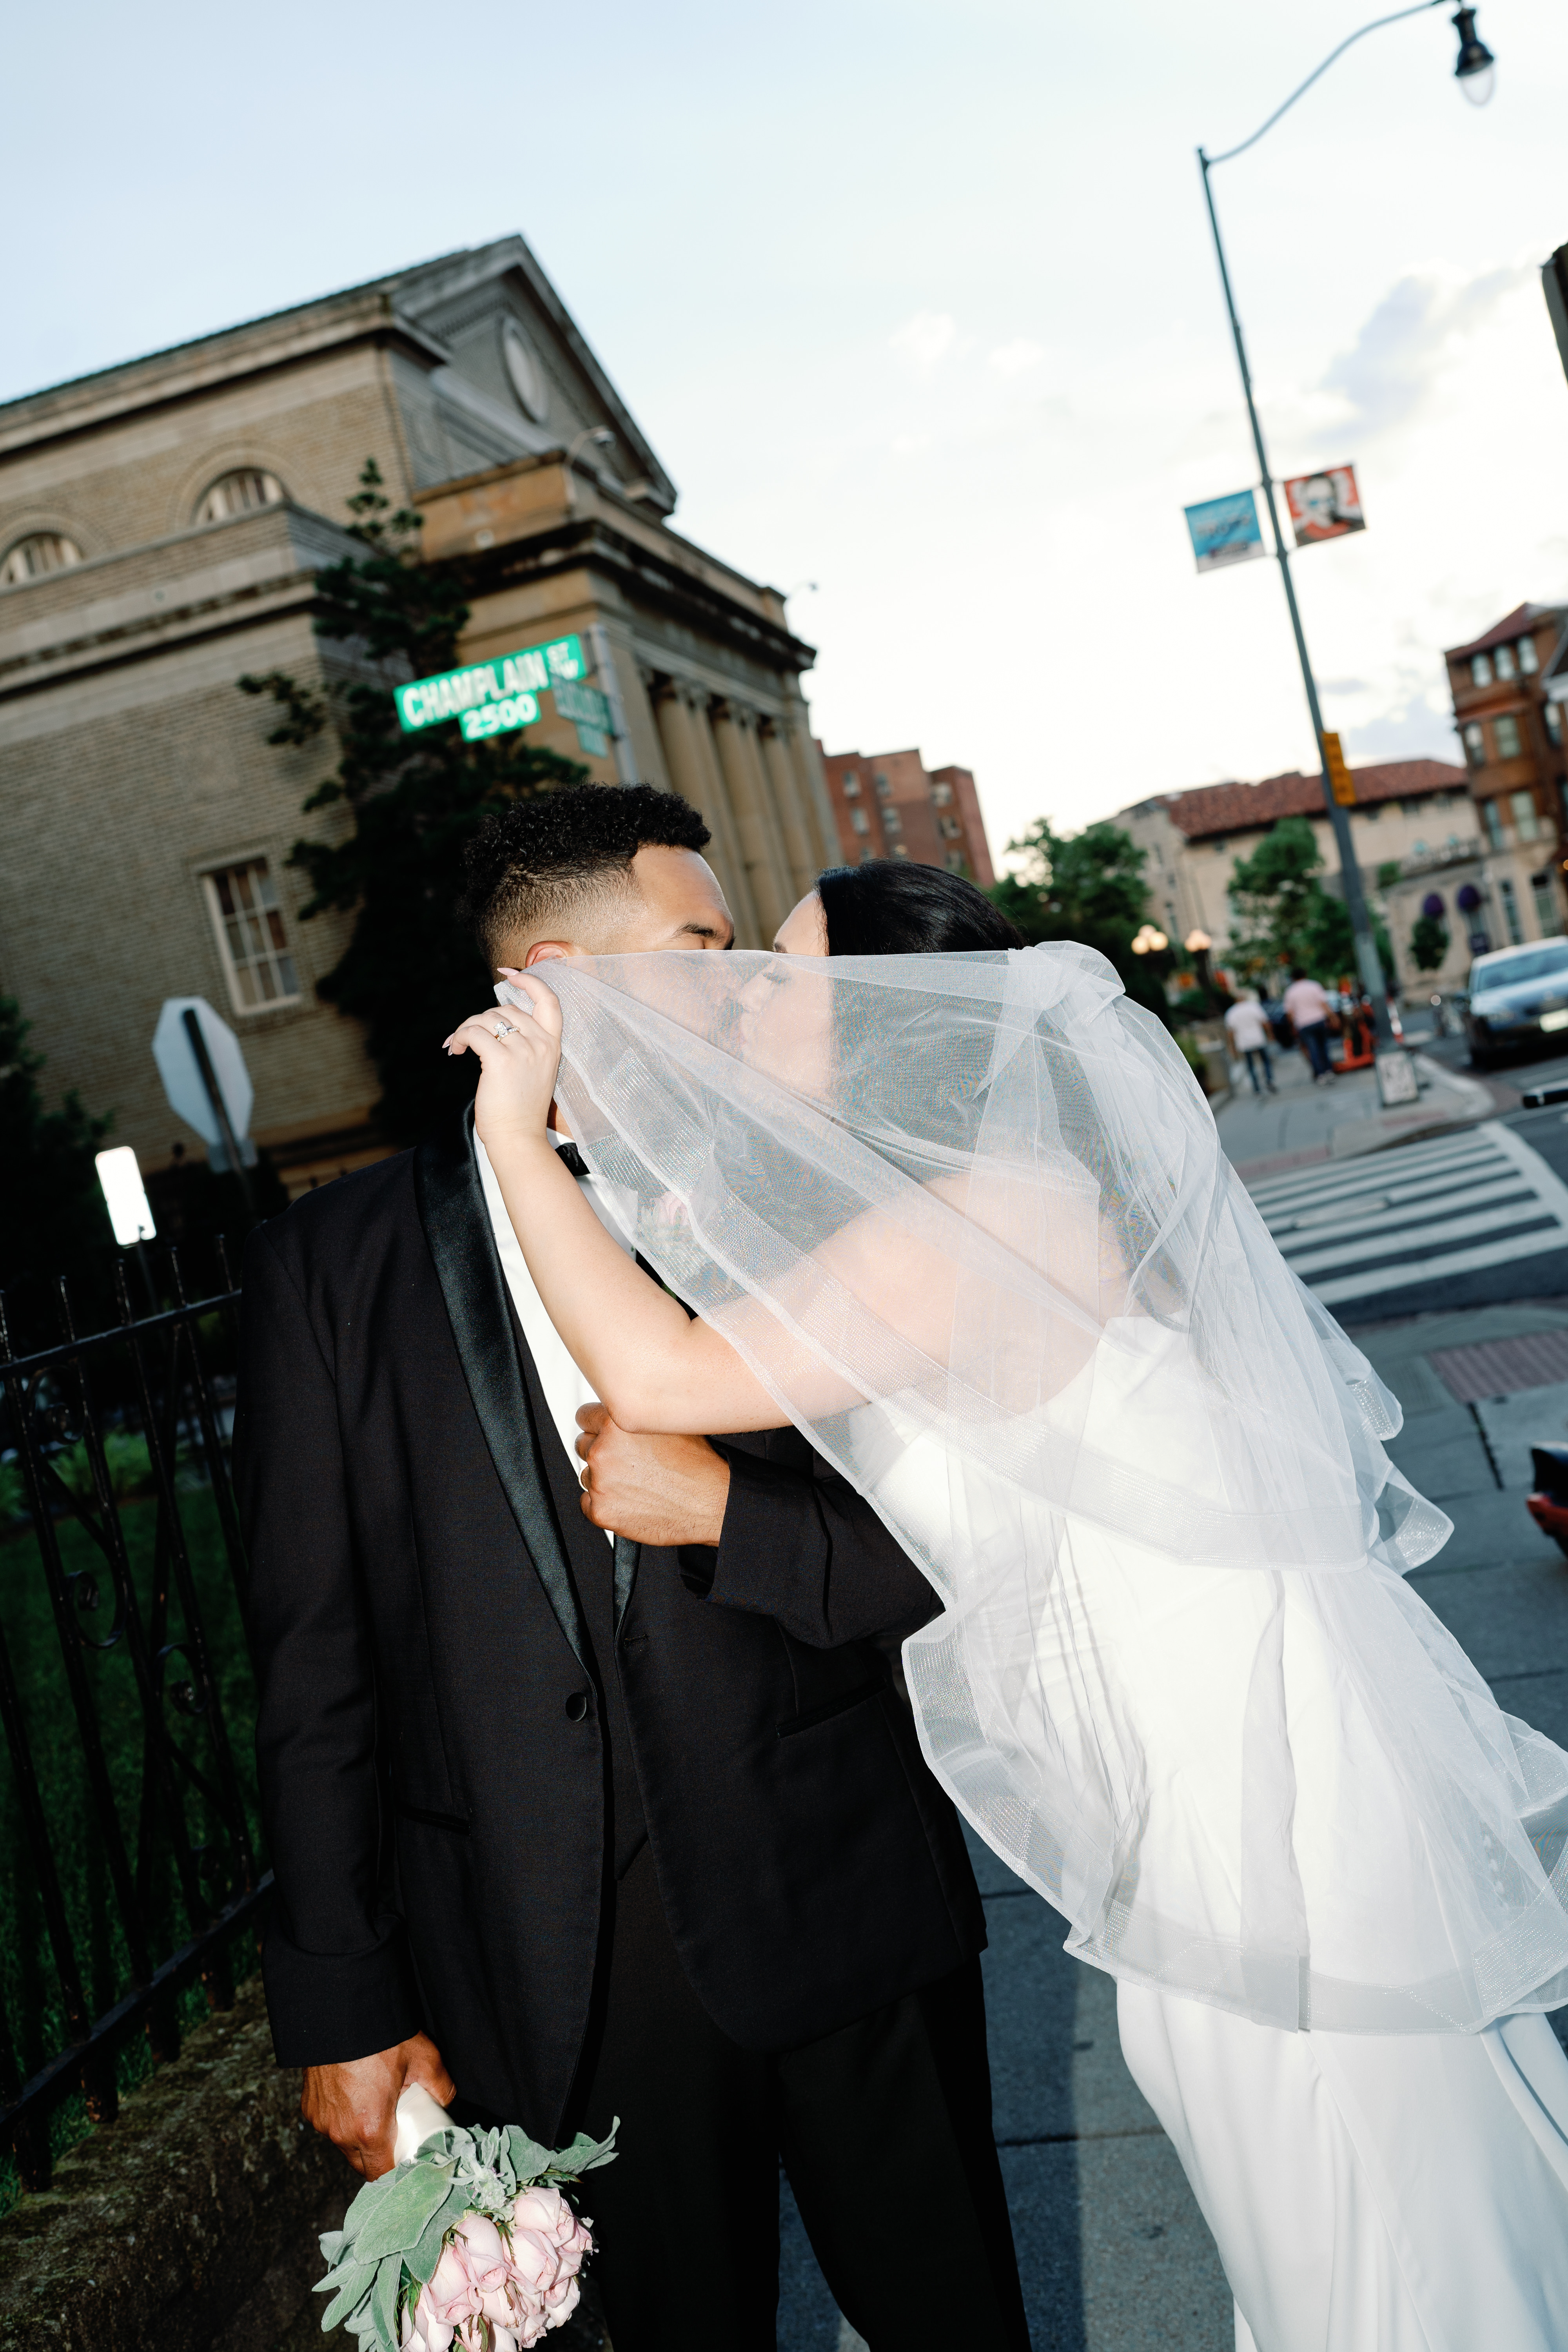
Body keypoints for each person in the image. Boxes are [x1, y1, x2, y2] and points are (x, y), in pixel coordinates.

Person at [452, 878, 1568, 2352]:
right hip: (1195, 1782)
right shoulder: (957, 1200)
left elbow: (659, 1379)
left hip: (1254, 1803)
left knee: (1354, 2196)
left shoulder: (990, 1216)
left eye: (781, 977)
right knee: (1315, 2192)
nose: (746, 999)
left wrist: (507, 1139)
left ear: (896, 1017)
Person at [235, 793, 1029, 2352]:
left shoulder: (807, 1195)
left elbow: (953, 1544)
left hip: (842, 1900)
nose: (744, 985)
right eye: (704, 947)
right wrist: (345, 2001)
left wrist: (738, 1514)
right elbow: (311, 1663)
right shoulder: (329, 1270)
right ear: (561, 976)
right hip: (550, 1973)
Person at [1283, 964, 1336, 1081]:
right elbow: (1324, 1004)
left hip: (1304, 1024)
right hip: (1319, 1020)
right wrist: (1332, 1017)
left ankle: (1320, 1074)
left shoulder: (1290, 992)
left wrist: (1292, 1026)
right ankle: (1329, 1071)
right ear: (1305, 974)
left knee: (1313, 1050)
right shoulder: (1314, 986)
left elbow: (1290, 1013)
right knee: (1324, 1047)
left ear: (1293, 978)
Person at [1223, 991, 1276, 1095]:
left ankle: (1257, 1087)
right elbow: (1265, 1022)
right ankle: (1269, 1080)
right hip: (1258, 1039)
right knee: (1266, 1061)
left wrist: (1232, 1046)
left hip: (1244, 1043)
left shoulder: (1231, 1012)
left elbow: (1231, 1032)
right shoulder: (1254, 1007)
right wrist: (1270, 1035)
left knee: (1251, 1066)